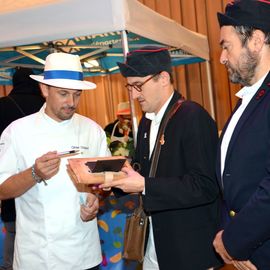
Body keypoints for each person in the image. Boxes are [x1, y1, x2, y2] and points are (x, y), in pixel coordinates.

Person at [100, 46, 222, 269]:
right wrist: (115, 178)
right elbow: (144, 172)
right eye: (130, 86)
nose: (134, 95)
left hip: (188, 250)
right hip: (154, 244)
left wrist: (144, 184)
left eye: (138, 86)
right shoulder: (147, 121)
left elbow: (205, 185)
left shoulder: (193, 117)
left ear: (163, 78)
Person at [0, 52, 110, 270]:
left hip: (84, 252)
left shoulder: (92, 130)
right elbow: (2, 190)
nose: (71, 102)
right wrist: (34, 173)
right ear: (44, 90)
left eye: (77, 95)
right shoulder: (18, 131)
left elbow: (105, 179)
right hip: (38, 256)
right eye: (63, 94)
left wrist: (98, 198)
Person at [213, 1, 270, 270]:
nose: (222, 57)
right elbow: (231, 180)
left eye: (227, 46)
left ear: (256, 41)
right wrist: (229, 236)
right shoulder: (249, 97)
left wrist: (232, 241)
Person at [0, 67, 45, 270]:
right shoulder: (47, 105)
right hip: (48, 178)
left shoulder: (3, 105)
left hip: (12, 175)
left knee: (13, 230)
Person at [98, 102, 138, 270]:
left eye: (129, 117)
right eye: (123, 117)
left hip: (133, 187)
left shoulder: (138, 129)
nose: (126, 121)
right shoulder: (108, 129)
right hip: (112, 188)